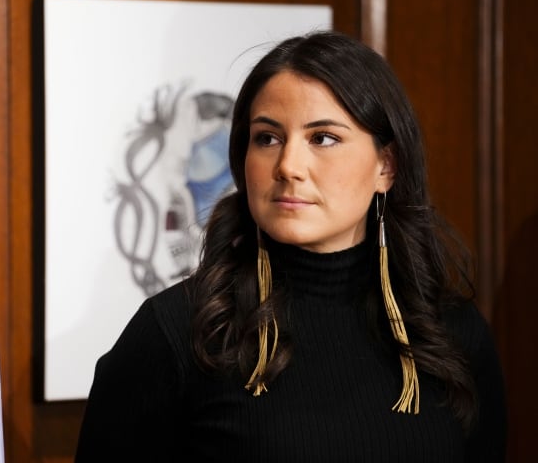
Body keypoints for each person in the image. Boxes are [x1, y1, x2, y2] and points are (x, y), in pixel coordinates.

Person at [75, 31, 507, 462]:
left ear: (386, 166)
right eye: (267, 138)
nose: (288, 166)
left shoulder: (452, 331)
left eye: (323, 138)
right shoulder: (178, 331)